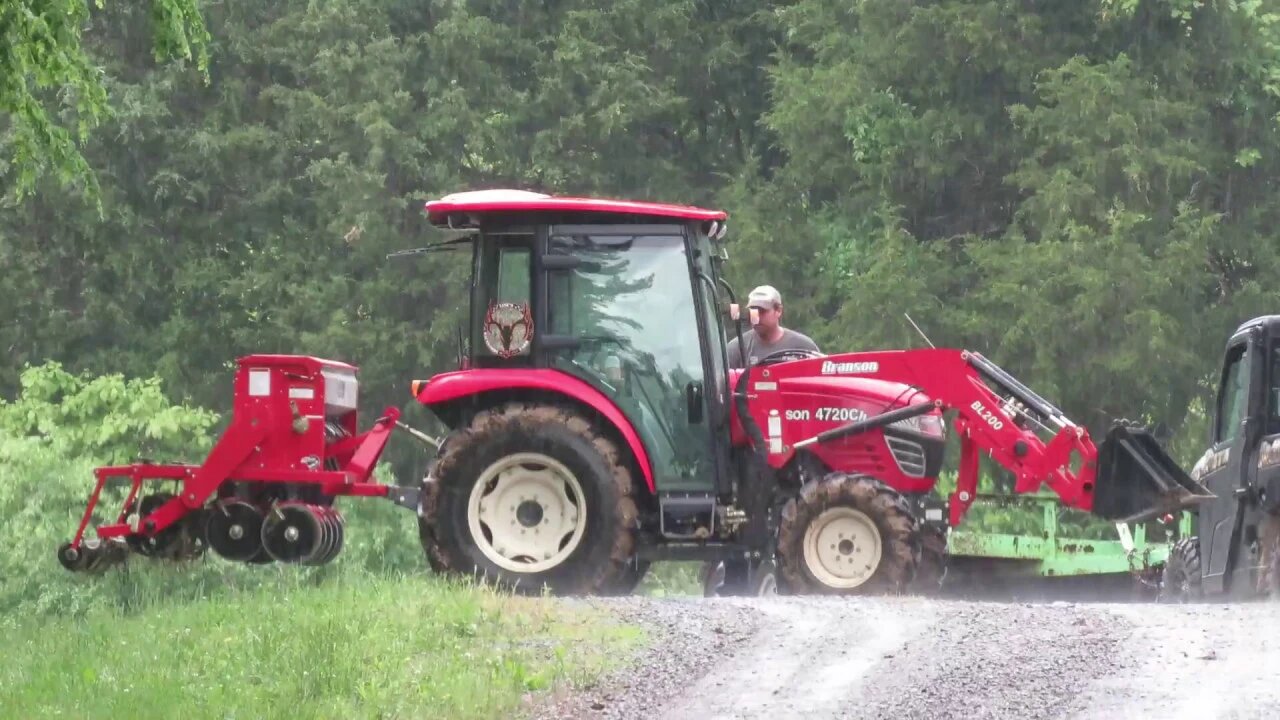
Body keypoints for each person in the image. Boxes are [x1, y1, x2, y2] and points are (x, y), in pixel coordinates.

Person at [726, 285, 820, 368]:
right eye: (753, 311)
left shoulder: (804, 347)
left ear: (778, 310)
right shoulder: (737, 349)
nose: (757, 317)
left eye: (762, 311)